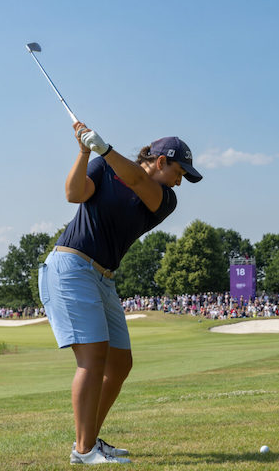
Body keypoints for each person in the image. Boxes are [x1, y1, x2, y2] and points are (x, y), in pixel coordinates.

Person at [38, 122, 202, 465]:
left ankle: (88, 441)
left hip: (104, 276)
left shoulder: (164, 199)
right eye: (178, 171)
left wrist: (105, 149)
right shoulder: (102, 164)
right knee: (93, 358)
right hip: (71, 266)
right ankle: (84, 450)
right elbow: (73, 194)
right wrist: (86, 152)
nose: (179, 180)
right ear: (161, 161)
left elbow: (138, 181)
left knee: (120, 363)